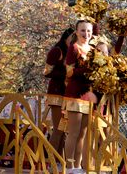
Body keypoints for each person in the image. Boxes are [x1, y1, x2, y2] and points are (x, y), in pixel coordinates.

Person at [63, 18, 95, 173]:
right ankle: (69, 167)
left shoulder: (94, 50)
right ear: (76, 32)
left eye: (89, 30)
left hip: (88, 95)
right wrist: (86, 70)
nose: (86, 33)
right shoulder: (73, 48)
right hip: (75, 94)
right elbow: (69, 72)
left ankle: (77, 166)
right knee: (73, 132)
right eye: (83, 30)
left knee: (82, 134)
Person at [45, 27, 73, 151]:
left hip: (68, 96)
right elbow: (46, 72)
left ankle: (59, 162)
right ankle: (51, 162)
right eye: (71, 38)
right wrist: (64, 75)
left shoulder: (73, 52)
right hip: (56, 95)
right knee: (58, 129)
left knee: (64, 130)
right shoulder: (57, 51)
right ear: (65, 38)